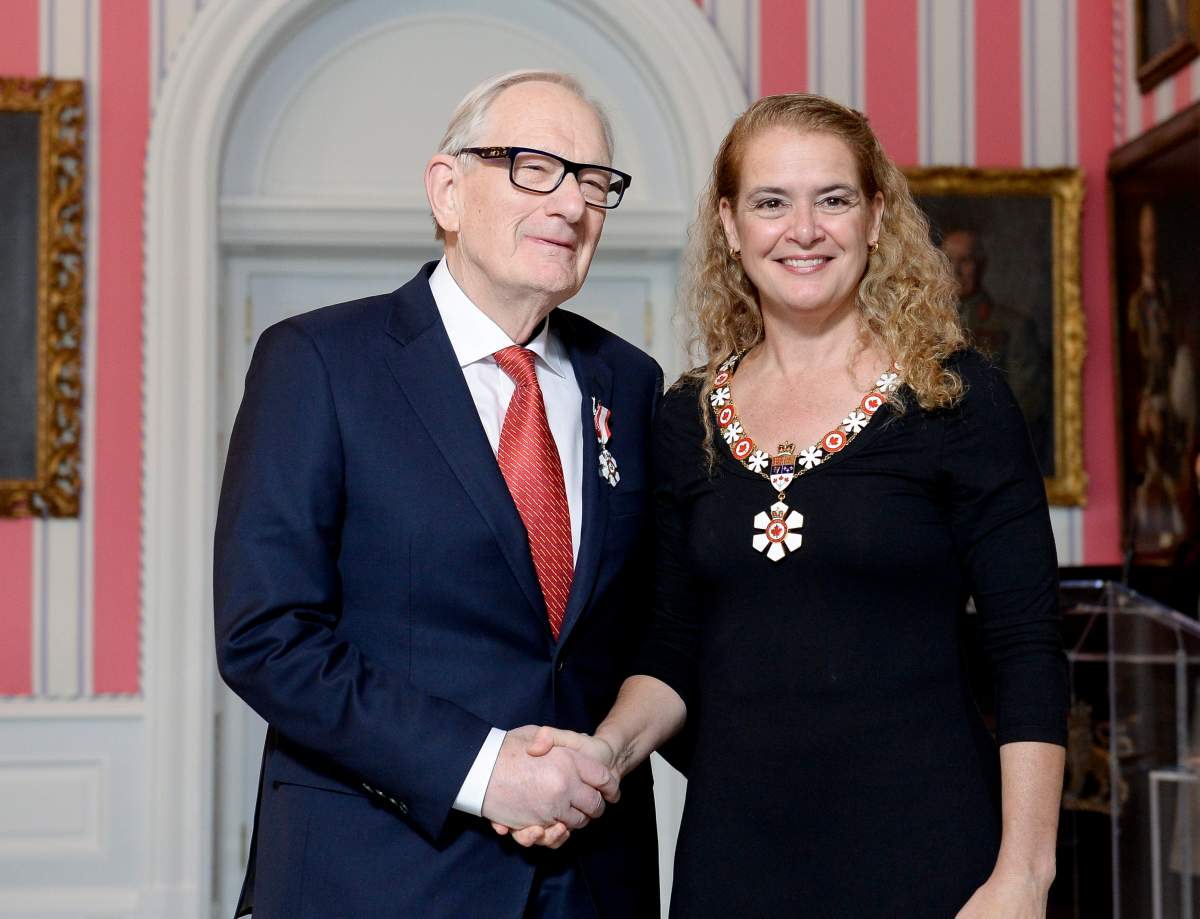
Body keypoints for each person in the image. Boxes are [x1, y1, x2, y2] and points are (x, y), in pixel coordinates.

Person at [518, 93, 1068, 917]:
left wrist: (1024, 875)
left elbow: (1027, 644)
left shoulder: (958, 397)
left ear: (875, 218)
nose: (803, 230)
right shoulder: (686, 417)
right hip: (734, 864)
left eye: (832, 199)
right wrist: (602, 753)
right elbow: (672, 646)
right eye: (771, 202)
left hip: (930, 857)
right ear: (731, 225)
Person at [213, 70, 662, 919]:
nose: (572, 204)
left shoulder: (629, 382)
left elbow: (644, 629)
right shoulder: (320, 362)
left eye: (595, 181)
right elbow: (266, 636)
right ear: (447, 190)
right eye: (536, 168)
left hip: (591, 880)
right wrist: (485, 770)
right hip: (378, 875)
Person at [940, 227, 1051, 472]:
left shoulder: (1014, 326)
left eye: (965, 261)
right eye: (948, 260)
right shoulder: (922, 325)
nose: (955, 270)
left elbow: (1027, 400)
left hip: (992, 456)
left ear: (981, 265)